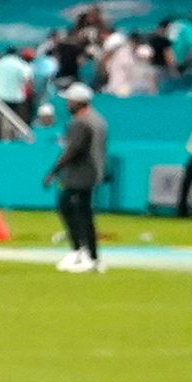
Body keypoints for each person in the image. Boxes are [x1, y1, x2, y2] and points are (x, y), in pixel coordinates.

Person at [49, 78, 108, 269]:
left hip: (80, 173)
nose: (67, 104)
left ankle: (80, 251)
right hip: (92, 172)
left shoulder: (81, 123)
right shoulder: (98, 120)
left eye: (70, 101)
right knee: (84, 212)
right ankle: (90, 254)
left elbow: (74, 150)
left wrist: (54, 170)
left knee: (71, 208)